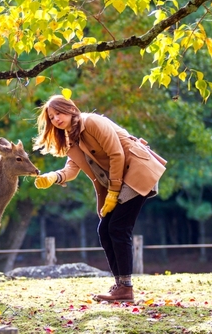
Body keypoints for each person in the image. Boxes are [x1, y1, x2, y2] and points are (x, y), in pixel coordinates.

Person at [32, 95, 167, 303]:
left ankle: (125, 288)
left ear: (70, 109)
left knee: (118, 228)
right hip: (119, 180)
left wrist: (113, 193)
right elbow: (72, 168)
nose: (56, 119)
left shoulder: (91, 122)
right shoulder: (71, 138)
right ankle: (120, 286)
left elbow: (117, 154)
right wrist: (54, 177)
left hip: (136, 171)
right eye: (51, 117)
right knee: (105, 230)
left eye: (58, 113)